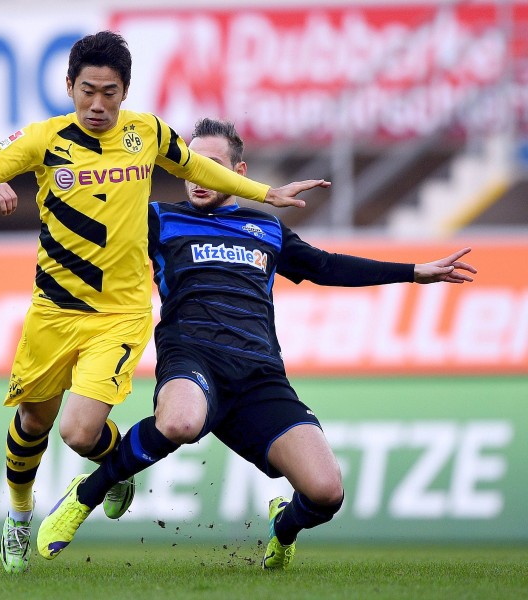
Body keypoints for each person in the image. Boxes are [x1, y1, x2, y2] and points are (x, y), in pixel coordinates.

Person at [0, 32, 327, 574]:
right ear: (69, 87)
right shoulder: (40, 140)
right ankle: (19, 513)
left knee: (77, 432)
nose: (98, 104)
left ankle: (107, 469)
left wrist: (265, 193)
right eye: (87, 91)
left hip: (120, 315)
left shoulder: (146, 133)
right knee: (33, 421)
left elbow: (197, 168)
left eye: (110, 92)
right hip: (54, 311)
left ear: (125, 91)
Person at [36, 118, 477, 569]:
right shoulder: (159, 219)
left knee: (326, 492)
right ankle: (84, 495)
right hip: (193, 356)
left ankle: (282, 529)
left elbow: (326, 267)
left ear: (238, 172)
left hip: (259, 375)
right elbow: (99, 229)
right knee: (180, 422)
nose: (197, 177)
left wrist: (413, 271)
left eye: (211, 167)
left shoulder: (265, 228)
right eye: (190, 166)